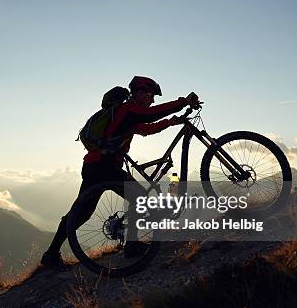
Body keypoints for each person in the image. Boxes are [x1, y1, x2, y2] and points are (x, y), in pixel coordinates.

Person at [40, 76, 199, 268]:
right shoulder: (128, 110)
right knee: (138, 199)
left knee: (82, 213)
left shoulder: (126, 114)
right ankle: (131, 246)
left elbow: (146, 129)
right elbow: (151, 115)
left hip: (98, 166)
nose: (152, 100)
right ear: (139, 93)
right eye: (150, 95)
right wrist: (183, 102)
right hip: (104, 167)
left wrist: (171, 122)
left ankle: (51, 255)